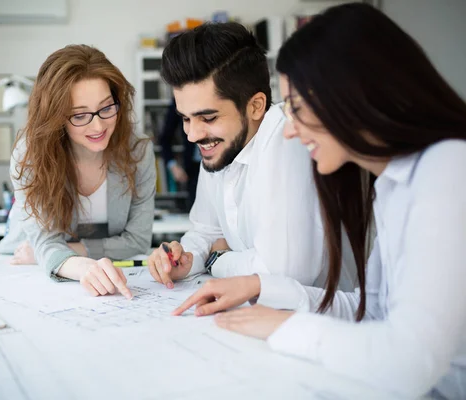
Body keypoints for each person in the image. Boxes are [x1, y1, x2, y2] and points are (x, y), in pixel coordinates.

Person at [174, 4, 466, 398]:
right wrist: (261, 289)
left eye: (298, 108)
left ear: (352, 95)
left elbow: (409, 363)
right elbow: (371, 311)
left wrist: (286, 326)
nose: (290, 130)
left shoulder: (448, 169)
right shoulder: (394, 184)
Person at [147, 22, 356, 292]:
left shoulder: (285, 135)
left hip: (324, 319)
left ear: (255, 106)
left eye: (208, 117)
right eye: (185, 119)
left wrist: (217, 259)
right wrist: (183, 257)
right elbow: (206, 232)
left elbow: (283, 271)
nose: (192, 134)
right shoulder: (217, 146)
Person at [0, 45, 156, 299]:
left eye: (106, 108)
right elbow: (44, 243)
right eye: (80, 115)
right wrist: (78, 263)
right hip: (26, 268)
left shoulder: (138, 152)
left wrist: (72, 250)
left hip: (94, 268)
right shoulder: (29, 156)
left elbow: (137, 241)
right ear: (55, 117)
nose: (99, 125)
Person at [158, 98, 201, 211]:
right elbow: (165, 139)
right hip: (194, 170)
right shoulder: (180, 99)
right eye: (186, 119)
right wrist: (173, 165)